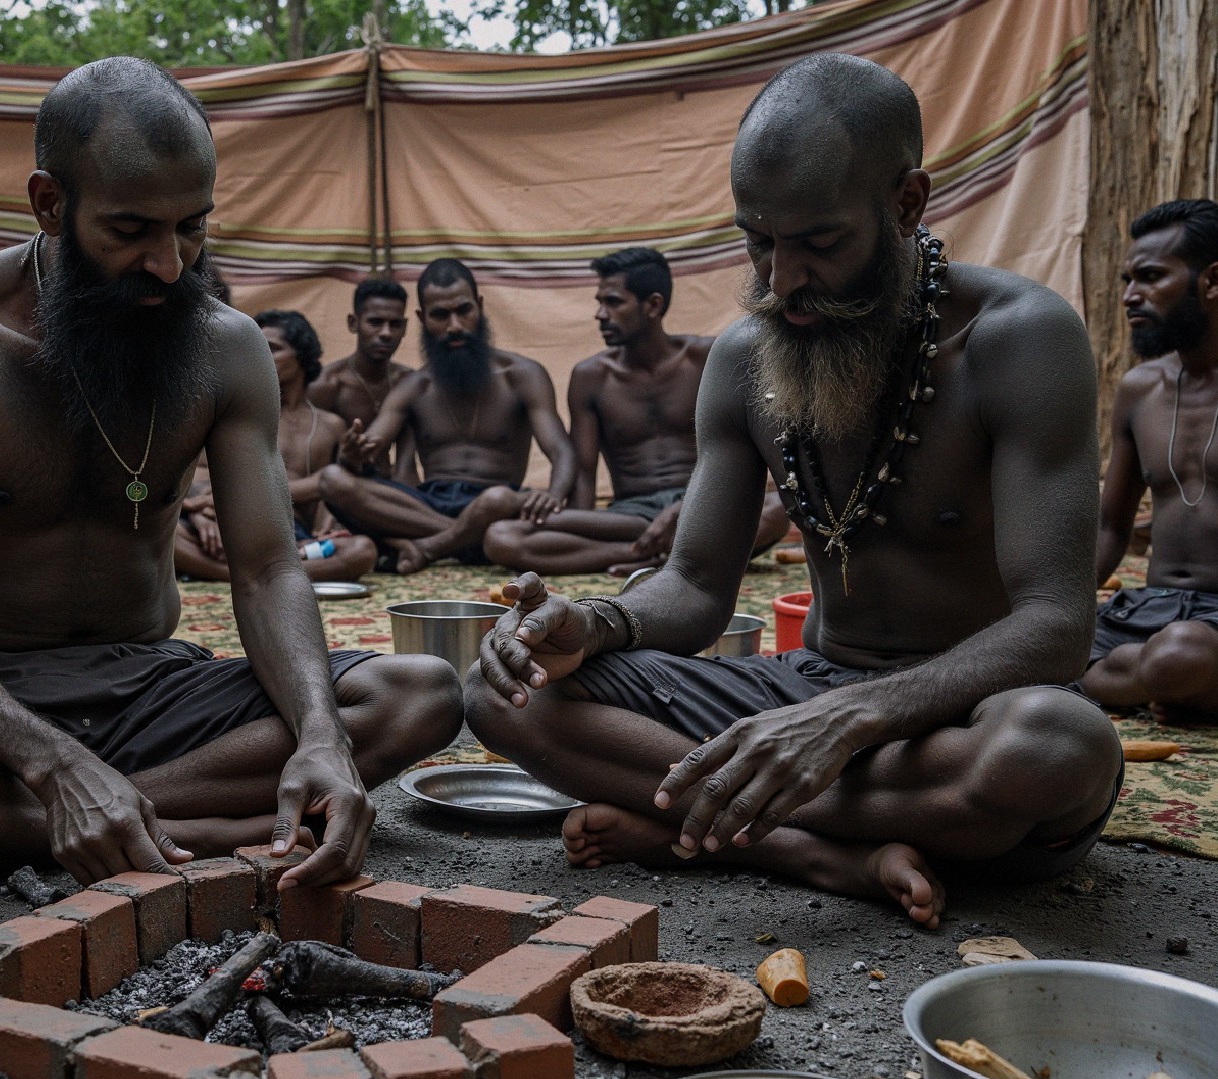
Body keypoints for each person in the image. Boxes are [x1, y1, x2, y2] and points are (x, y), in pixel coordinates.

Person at [0, 59, 462, 917]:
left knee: (419, 693)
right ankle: (196, 825)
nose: (169, 266)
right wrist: (55, 766)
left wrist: (323, 739)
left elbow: (265, 569)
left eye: (193, 227)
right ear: (48, 204)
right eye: (131, 230)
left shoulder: (225, 346)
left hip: (151, 688)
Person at [465, 53, 1122, 928]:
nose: (782, 284)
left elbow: (1056, 628)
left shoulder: (1021, 340)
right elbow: (696, 588)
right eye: (757, 242)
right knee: (493, 691)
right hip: (810, 696)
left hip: (966, 715)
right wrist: (592, 625)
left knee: (1058, 749)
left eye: (818, 244)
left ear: (907, 203)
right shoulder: (744, 358)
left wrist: (847, 723)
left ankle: (710, 822)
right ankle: (804, 848)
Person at [484, 248, 790, 576]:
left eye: (613, 302)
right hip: (629, 515)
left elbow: (745, 451)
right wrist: (577, 524)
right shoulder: (591, 377)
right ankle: (649, 554)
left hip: (699, 502)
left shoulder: (706, 358)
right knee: (501, 537)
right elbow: (584, 473)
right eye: (599, 302)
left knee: (777, 510)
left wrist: (682, 509)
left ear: (653, 305)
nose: (600, 314)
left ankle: (662, 547)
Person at [318, 258, 578, 574]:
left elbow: (561, 449)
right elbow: (369, 447)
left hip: (497, 502)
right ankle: (467, 540)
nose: (454, 326)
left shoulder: (523, 375)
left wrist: (554, 494)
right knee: (332, 480)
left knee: (496, 500)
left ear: (479, 307)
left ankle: (434, 545)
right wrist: (350, 455)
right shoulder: (414, 386)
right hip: (428, 506)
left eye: (463, 311)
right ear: (422, 318)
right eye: (440, 315)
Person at [1086, 199, 1218, 717]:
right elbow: (1110, 527)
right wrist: (1055, 614)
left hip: (1201, 633)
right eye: (1126, 280)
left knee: (1183, 652)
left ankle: (1158, 678)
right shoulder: (1140, 389)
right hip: (1148, 611)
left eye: (1150, 277)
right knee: (1007, 645)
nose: (1129, 296)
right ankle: (1176, 686)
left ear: (1211, 281)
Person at [176, 309, 377, 582]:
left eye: (271, 348)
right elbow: (196, 482)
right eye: (255, 347)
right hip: (225, 527)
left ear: (303, 356)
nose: (257, 356)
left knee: (361, 551)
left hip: (291, 539)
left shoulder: (331, 426)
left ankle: (258, 571)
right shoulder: (229, 414)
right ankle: (239, 574)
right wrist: (201, 517)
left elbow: (333, 497)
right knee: (162, 531)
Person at [308, 276, 417, 481]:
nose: (386, 333)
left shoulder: (409, 382)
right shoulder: (327, 384)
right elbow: (312, 464)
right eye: (375, 322)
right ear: (353, 323)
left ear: (405, 328)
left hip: (392, 490)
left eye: (395, 324)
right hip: (340, 492)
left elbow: (407, 469)